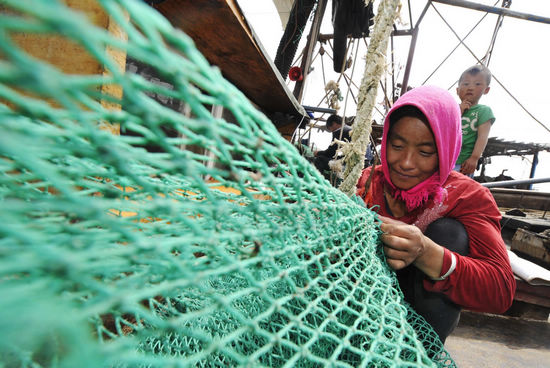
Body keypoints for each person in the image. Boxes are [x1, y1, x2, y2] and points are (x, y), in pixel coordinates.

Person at [356, 85, 515, 343]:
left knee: (448, 232)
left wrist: (427, 253)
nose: (406, 163)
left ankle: (417, 354)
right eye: (396, 145)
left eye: (425, 152)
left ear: (446, 148)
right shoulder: (369, 182)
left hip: (421, 313)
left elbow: (500, 289)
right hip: (364, 302)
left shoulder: (466, 196)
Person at [455, 65, 495, 177]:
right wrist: (458, 111)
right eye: (466, 84)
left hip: (463, 164)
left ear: (486, 90)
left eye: (477, 84)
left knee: (459, 192)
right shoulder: (451, 108)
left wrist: (474, 158)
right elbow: (443, 131)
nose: (470, 87)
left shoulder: (484, 111)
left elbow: (482, 137)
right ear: (457, 90)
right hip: (444, 160)